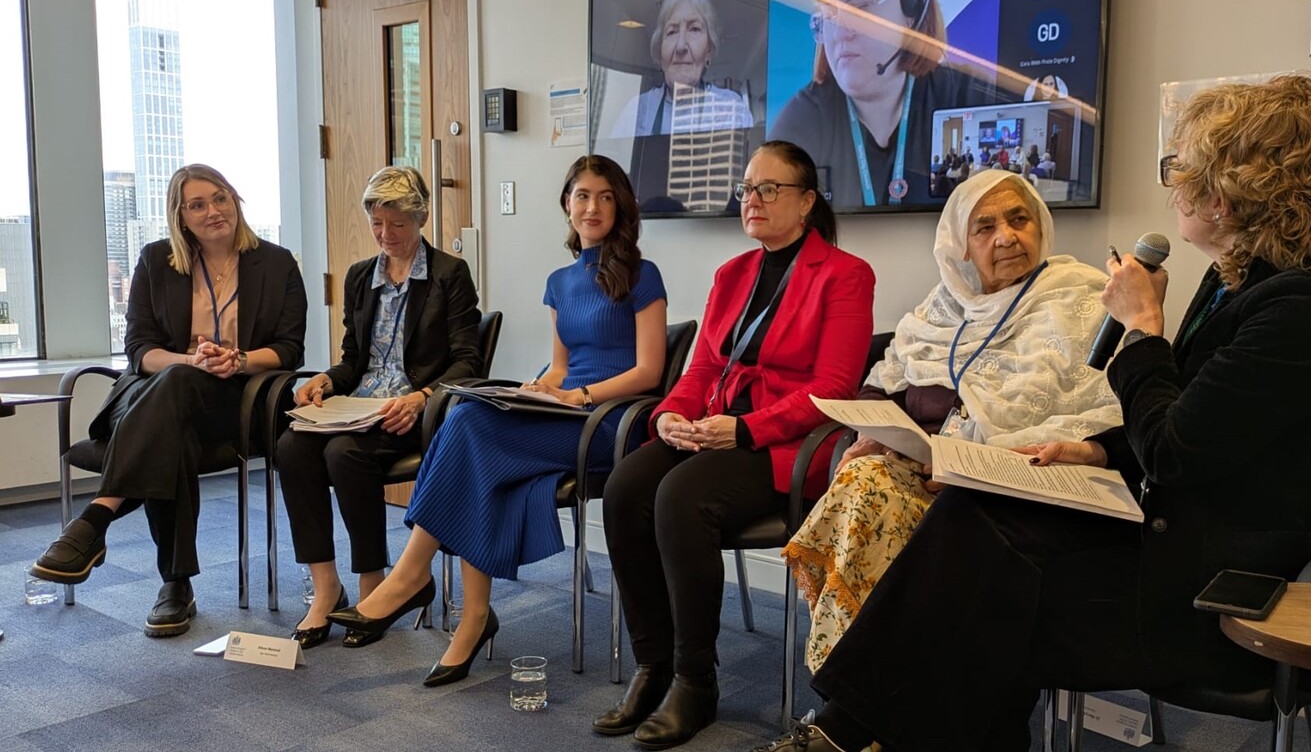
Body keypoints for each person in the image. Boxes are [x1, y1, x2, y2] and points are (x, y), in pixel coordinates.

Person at [753, 73, 1311, 752]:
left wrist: (1143, 331)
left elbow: (1176, 449)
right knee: (975, 519)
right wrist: (1096, 450)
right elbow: (1201, 420)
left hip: (1237, 586)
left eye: (1183, 167)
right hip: (1186, 539)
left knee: (983, 599)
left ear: (1232, 191)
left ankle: (841, 732)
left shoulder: (1304, 308)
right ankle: (849, 730)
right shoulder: (1251, 281)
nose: (1172, 183)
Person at [328, 155, 667, 686]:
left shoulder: (643, 276)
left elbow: (649, 371)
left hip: (609, 423)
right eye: (581, 196)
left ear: (620, 206)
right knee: (471, 422)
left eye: (604, 196)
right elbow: (559, 366)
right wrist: (539, 390)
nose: (592, 206)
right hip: (567, 411)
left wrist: (579, 395)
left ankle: (416, 577)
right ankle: (471, 616)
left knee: (469, 432)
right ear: (567, 206)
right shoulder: (559, 281)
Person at [594, 141, 876, 750]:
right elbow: (700, 373)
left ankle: (696, 681)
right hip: (717, 430)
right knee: (623, 490)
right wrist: (671, 415)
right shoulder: (733, 274)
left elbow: (833, 391)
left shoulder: (846, 275)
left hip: (786, 449)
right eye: (747, 188)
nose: (753, 199)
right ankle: (655, 664)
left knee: (679, 498)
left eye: (768, 189)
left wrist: (746, 429)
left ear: (806, 202)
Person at [782, 170, 1122, 673]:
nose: (1006, 236)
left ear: (1040, 226)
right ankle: (867, 686)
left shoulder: (1085, 298)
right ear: (960, 244)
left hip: (1015, 491)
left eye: (1018, 219)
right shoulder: (940, 309)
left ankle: (854, 694)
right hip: (929, 476)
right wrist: (871, 434)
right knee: (861, 475)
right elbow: (882, 386)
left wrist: (975, 468)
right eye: (985, 227)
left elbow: (1110, 412)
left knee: (872, 505)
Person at [30, 164, 306, 638]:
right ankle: (173, 584)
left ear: (235, 200)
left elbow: (289, 348)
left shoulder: (277, 262)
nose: (213, 211)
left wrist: (236, 360)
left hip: (236, 401)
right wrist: (187, 362)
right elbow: (138, 348)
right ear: (180, 217)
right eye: (196, 205)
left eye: (220, 198)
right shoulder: (157, 260)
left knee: (173, 423)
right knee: (173, 409)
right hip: (152, 392)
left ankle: (106, 530)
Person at [274, 166, 483, 648]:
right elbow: (355, 360)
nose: (386, 235)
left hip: (414, 409)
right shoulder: (359, 277)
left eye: (399, 225)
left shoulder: (450, 274)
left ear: (422, 218)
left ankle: (374, 584)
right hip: (360, 405)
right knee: (291, 446)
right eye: (377, 224)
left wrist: (421, 397)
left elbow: (468, 361)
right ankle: (326, 589)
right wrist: (327, 380)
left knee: (343, 453)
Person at [770, 0, 995, 209]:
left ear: (913, 7)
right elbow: (756, 211)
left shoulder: (966, 96)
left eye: (861, 7)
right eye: (830, 14)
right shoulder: (804, 118)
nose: (840, 32)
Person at [612, 0, 755, 212]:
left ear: (709, 49)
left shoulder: (731, 108)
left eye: (694, 29)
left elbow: (746, 190)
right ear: (660, 52)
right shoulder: (636, 111)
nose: (680, 46)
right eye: (671, 32)